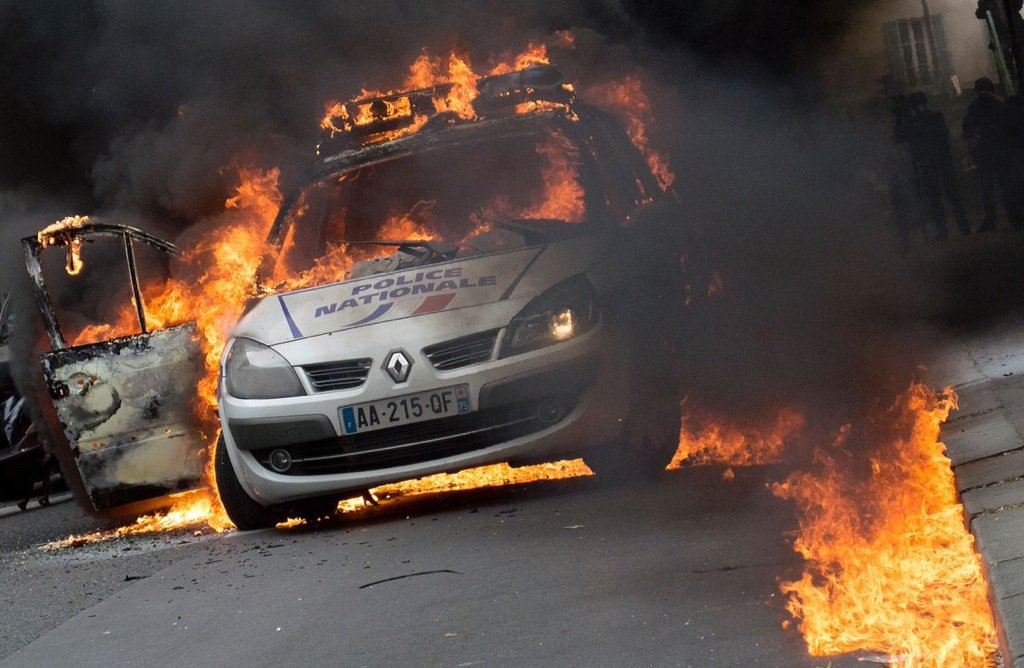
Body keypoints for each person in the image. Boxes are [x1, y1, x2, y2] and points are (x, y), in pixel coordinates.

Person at [897, 92, 971, 240]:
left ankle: (944, 231)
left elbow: (901, 137)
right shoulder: (936, 117)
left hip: (929, 164)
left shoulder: (916, 123)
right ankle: (963, 227)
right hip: (942, 162)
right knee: (952, 196)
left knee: (936, 199)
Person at [962, 77, 1023, 231]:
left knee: (987, 189)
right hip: (1001, 152)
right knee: (1006, 186)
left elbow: (967, 131)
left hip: (985, 154)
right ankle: (1014, 217)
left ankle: (991, 219)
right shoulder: (1000, 105)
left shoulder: (974, 107)